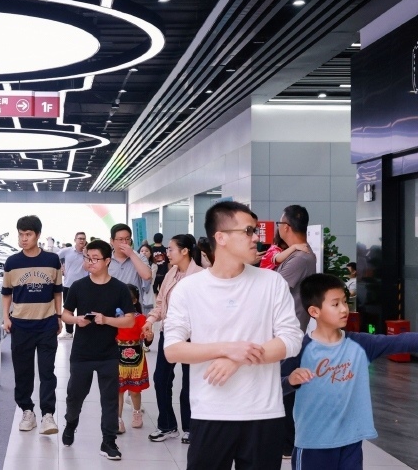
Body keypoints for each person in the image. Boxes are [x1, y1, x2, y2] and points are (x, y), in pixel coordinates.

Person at [163, 201, 303, 470]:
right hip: (210, 411)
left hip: (263, 413)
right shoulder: (189, 289)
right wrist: (228, 349)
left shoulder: (271, 282)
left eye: (255, 231)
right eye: (248, 231)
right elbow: (173, 350)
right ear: (221, 237)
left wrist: (238, 358)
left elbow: (291, 339)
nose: (256, 238)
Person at [282, 273, 418, 469]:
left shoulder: (359, 344)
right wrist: (291, 380)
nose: (344, 309)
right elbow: (276, 387)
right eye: (335, 304)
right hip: (313, 444)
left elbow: (400, 341)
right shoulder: (299, 349)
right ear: (314, 311)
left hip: (351, 442)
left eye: (345, 302)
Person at [60, 239, 136, 460]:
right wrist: (77, 320)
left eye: (95, 259)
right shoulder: (78, 286)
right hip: (81, 353)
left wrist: (106, 320)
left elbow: (130, 320)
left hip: (108, 353)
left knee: (109, 399)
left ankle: (108, 441)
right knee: (75, 396)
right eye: (87, 258)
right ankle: (70, 423)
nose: (90, 262)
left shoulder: (119, 288)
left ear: (107, 261)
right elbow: (65, 314)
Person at [2, 215, 63, 435]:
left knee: (47, 371)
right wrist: (6, 317)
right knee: (23, 372)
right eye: (21, 234)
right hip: (20, 325)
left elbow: (57, 291)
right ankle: (27, 411)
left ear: (38, 235)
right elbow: (6, 293)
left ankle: (48, 414)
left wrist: (58, 316)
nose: (23, 238)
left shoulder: (52, 260)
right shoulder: (12, 262)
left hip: (46, 324)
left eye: (28, 234)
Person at [143, 234, 203, 445]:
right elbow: (160, 303)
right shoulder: (171, 273)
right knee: (161, 378)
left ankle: (190, 428)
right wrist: (150, 320)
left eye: (171, 249)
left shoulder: (201, 276)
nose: (166, 253)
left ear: (185, 251)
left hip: (192, 337)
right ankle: (167, 425)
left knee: (189, 382)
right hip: (168, 333)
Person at [275, 204, 317, 458]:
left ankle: (286, 444)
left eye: (280, 223)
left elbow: (274, 287)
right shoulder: (298, 253)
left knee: (284, 390)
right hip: (285, 332)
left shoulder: (301, 258)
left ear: (287, 227)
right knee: (282, 387)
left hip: (288, 334)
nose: (278, 228)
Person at [117, 284, 152, 434]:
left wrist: (149, 337)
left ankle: (136, 413)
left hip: (136, 359)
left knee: (135, 390)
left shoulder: (141, 318)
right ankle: (117, 419)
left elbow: (148, 340)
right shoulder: (114, 319)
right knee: (118, 390)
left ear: (134, 301)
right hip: (117, 357)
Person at [57, 232, 88, 339]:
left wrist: (85, 254)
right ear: (75, 240)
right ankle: (69, 332)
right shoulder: (67, 251)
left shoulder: (88, 253)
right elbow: (55, 257)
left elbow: (90, 265)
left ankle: (83, 331)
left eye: (83, 239)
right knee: (68, 309)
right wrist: (60, 267)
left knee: (83, 309)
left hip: (84, 286)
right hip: (68, 285)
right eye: (79, 238)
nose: (82, 240)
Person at [108, 224, 152, 291]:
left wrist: (131, 254)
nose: (125, 242)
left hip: (134, 297)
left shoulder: (140, 257)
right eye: (120, 239)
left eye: (127, 239)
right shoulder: (106, 259)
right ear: (112, 241)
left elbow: (147, 276)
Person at [137, 244, 158, 314]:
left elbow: (150, 279)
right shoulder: (135, 265)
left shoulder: (153, 266)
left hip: (148, 293)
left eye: (146, 251)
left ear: (150, 253)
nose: (144, 252)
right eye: (142, 251)